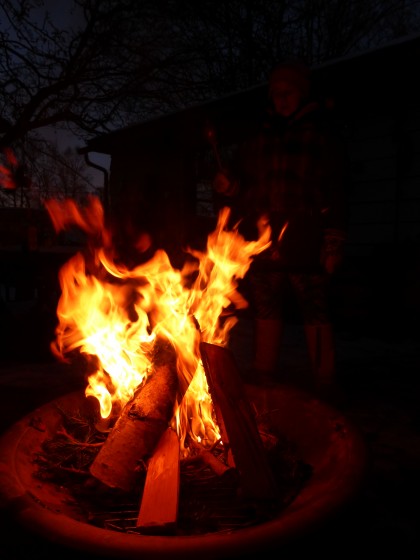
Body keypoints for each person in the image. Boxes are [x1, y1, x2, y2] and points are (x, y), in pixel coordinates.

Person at [213, 59, 348, 402]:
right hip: (264, 239)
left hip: (306, 235)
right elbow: (243, 183)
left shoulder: (320, 133)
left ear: (301, 94)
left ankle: (324, 378)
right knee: (266, 308)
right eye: (276, 93)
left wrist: (332, 240)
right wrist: (231, 185)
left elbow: (335, 189)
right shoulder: (259, 136)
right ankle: (263, 371)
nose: (281, 98)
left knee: (315, 308)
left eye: (288, 92)